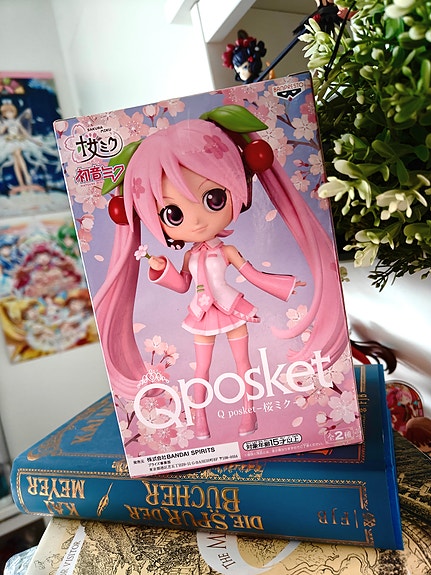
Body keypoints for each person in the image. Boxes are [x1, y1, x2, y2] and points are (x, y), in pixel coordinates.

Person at [95, 105, 347, 439]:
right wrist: (161, 269)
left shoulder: (225, 251)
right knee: (202, 369)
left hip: (232, 309)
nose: (198, 221)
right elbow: (183, 284)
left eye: (213, 198)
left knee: (243, 365)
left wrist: (284, 285)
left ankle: (248, 416)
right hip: (201, 314)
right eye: (173, 214)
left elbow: (251, 273)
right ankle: (200, 422)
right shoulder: (191, 256)